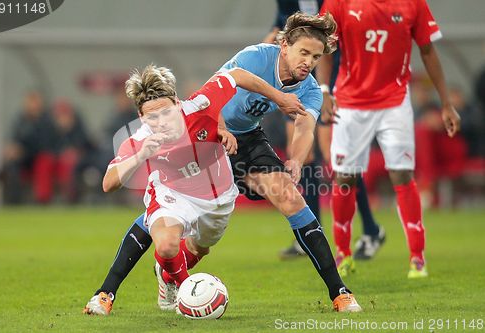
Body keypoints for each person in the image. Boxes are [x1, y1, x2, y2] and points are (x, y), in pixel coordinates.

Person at [84, 12, 362, 315]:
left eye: (316, 56)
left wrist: (295, 159)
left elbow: (305, 126)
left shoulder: (308, 88)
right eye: (304, 52)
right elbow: (218, 88)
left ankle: (340, 293)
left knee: (288, 198)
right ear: (284, 46)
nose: (308, 61)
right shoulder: (256, 57)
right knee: (166, 213)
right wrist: (233, 121)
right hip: (206, 132)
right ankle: (119, 288)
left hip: (247, 139)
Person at [318, 0, 461, 278]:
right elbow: (325, 45)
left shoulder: (412, 3)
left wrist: (445, 103)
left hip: (394, 103)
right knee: (345, 177)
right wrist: (324, 89)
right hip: (350, 103)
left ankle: (417, 258)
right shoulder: (339, 3)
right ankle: (343, 254)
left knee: (402, 174)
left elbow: (428, 50)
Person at [263, 0, 385, 261]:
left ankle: (372, 230)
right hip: (298, 78)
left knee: (335, 158)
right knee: (303, 157)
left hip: (333, 78)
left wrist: (328, 87)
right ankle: (312, 232)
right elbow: (279, 24)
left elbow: (341, 40)